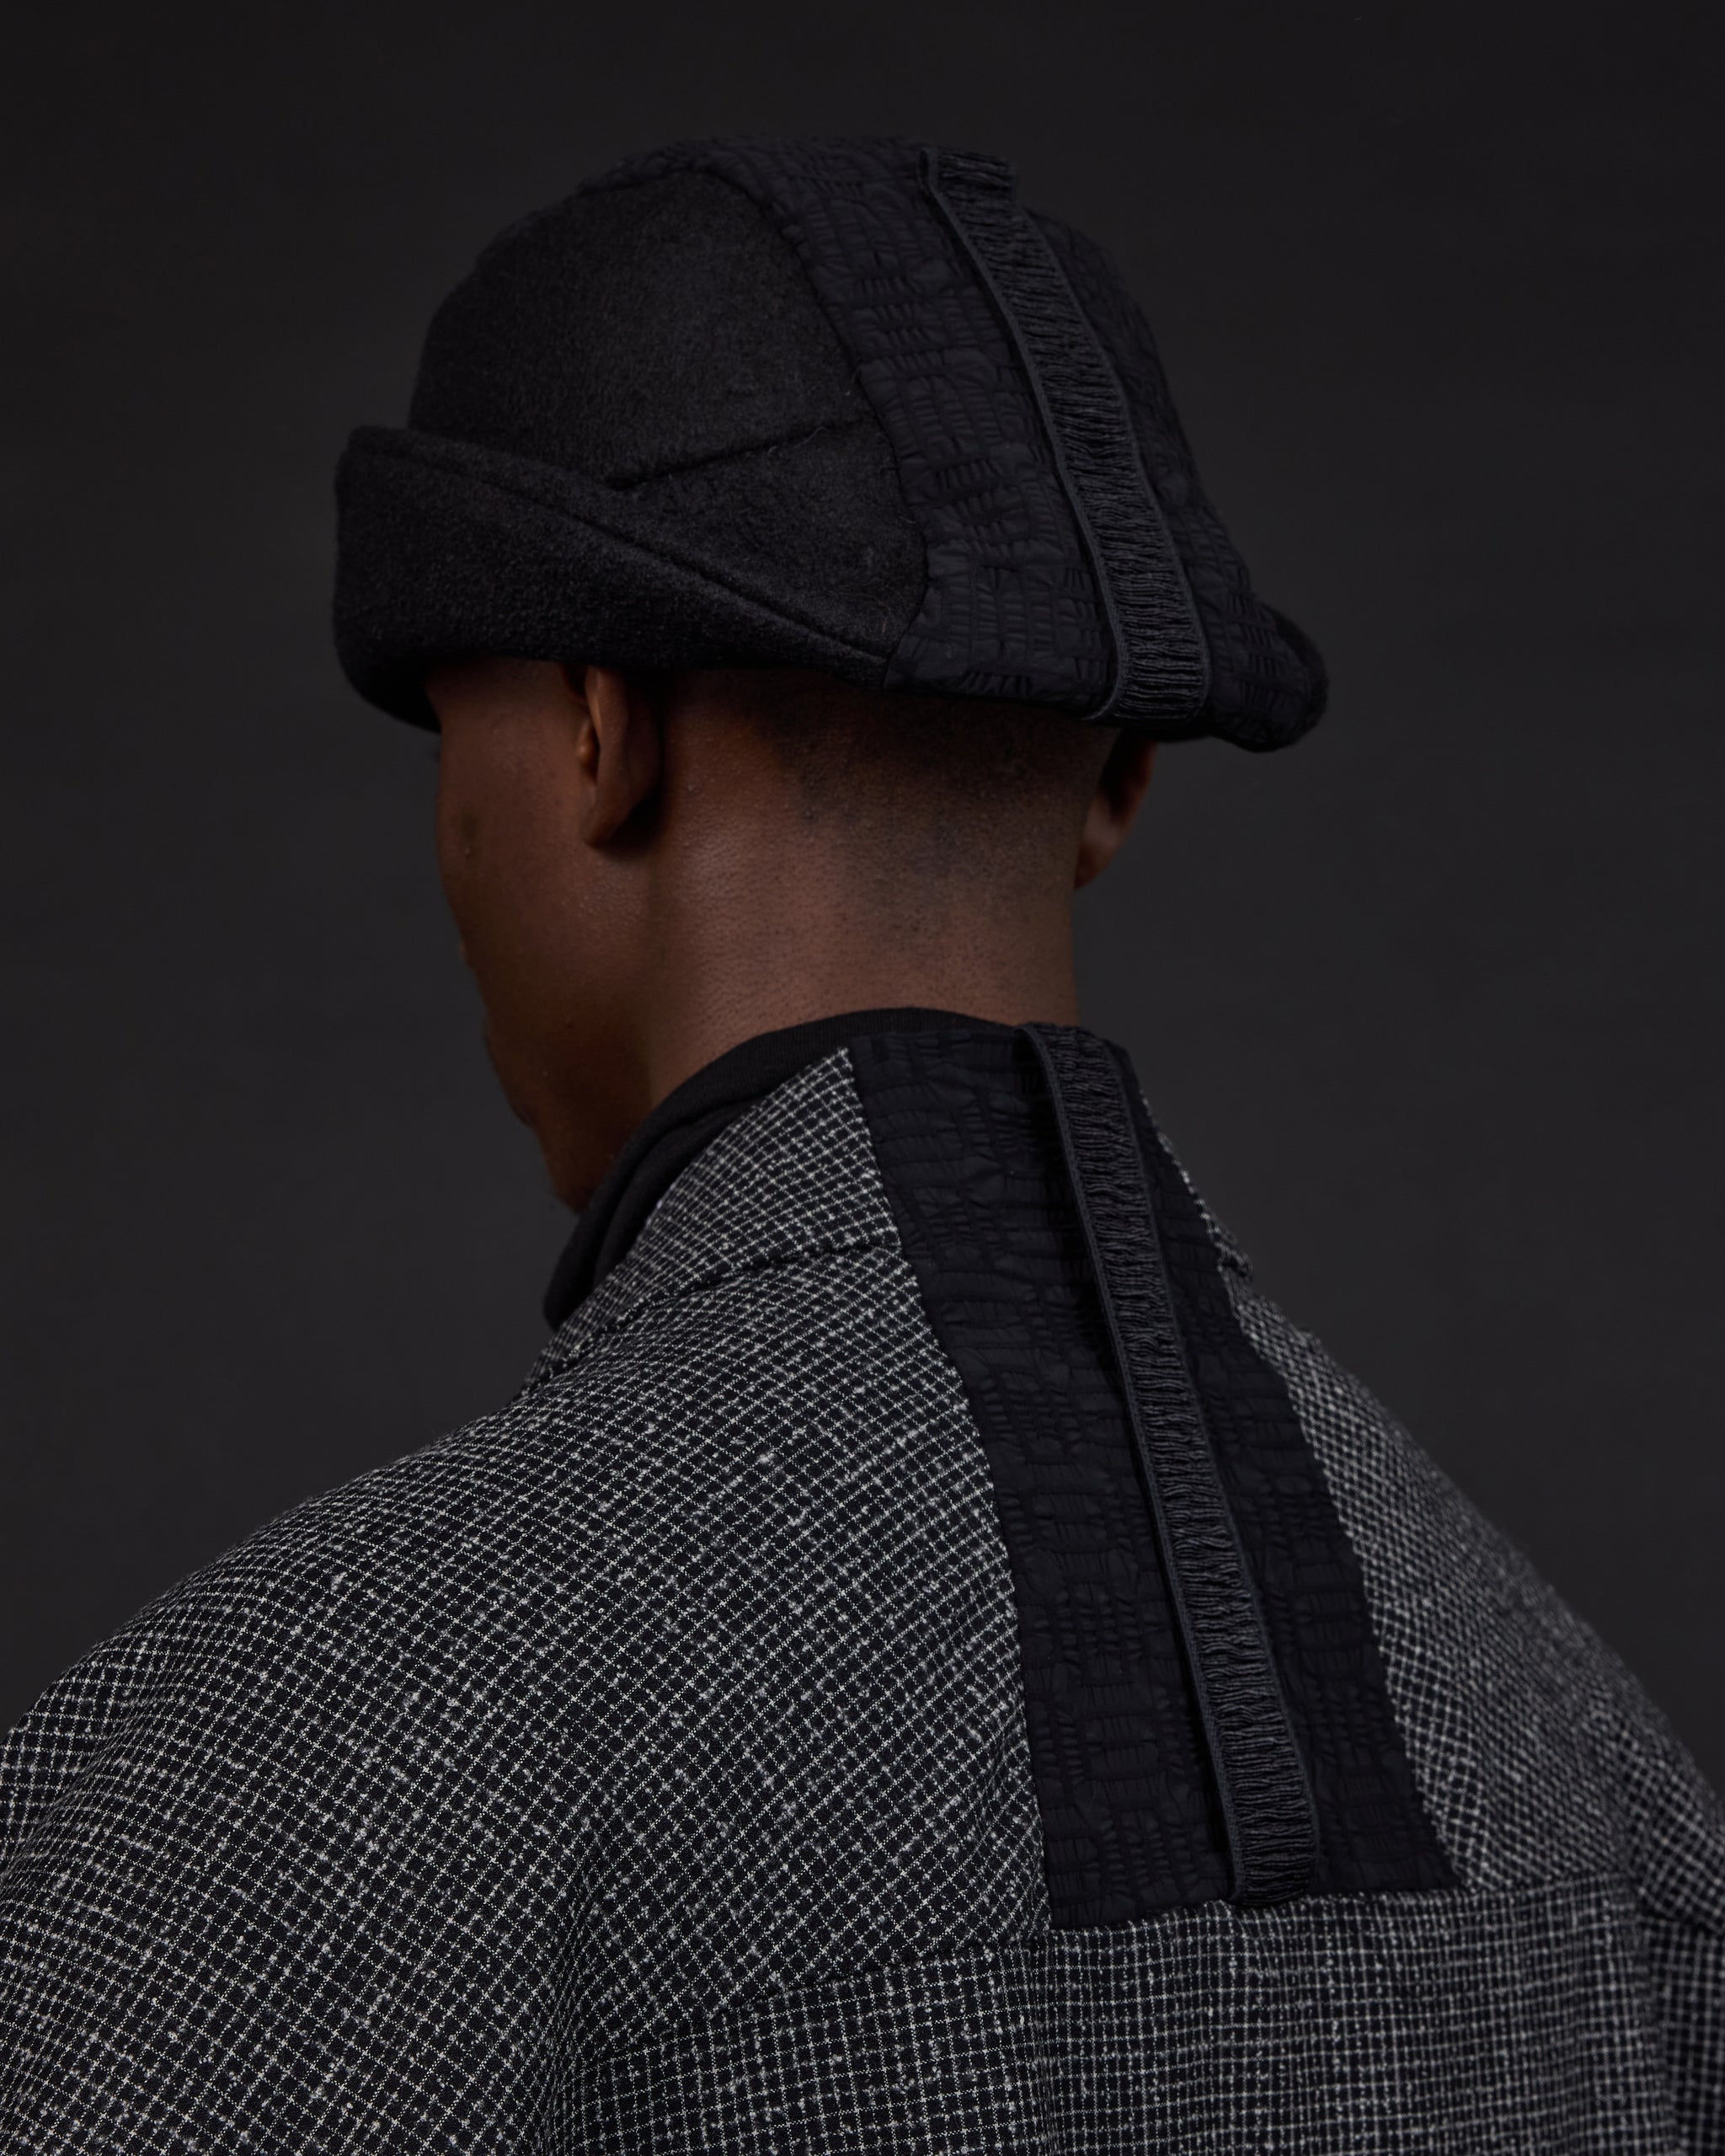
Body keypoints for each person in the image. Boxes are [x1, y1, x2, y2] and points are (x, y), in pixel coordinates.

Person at [2, 135, 1720, 2152]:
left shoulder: (267, 1770)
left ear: (593, 730)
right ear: (1118, 783)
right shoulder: (1606, 1783)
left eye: (457, 734)